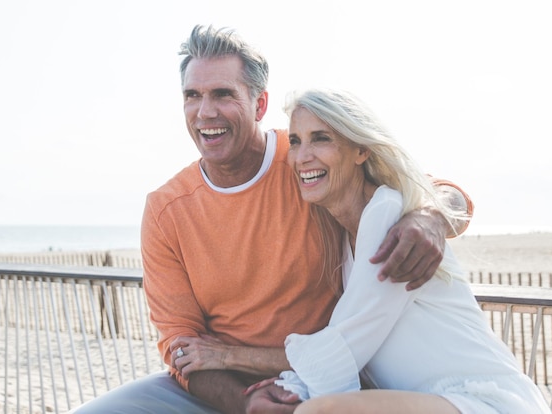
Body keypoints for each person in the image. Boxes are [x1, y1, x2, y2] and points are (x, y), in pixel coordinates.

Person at [71, 25, 473, 414]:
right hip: (222, 384)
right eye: (192, 96)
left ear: (259, 104)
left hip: (322, 376)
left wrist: (429, 218)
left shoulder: (307, 159)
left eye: (223, 94)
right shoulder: (165, 209)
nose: (205, 112)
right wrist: (241, 402)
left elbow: (438, 190)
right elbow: (180, 344)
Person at [245, 88, 548, 413]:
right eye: (295, 141)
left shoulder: (387, 213)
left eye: (321, 138)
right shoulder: (345, 239)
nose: (303, 155)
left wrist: (231, 358)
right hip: (431, 401)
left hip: (484, 399)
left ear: (361, 150)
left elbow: (349, 338)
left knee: (319, 411)